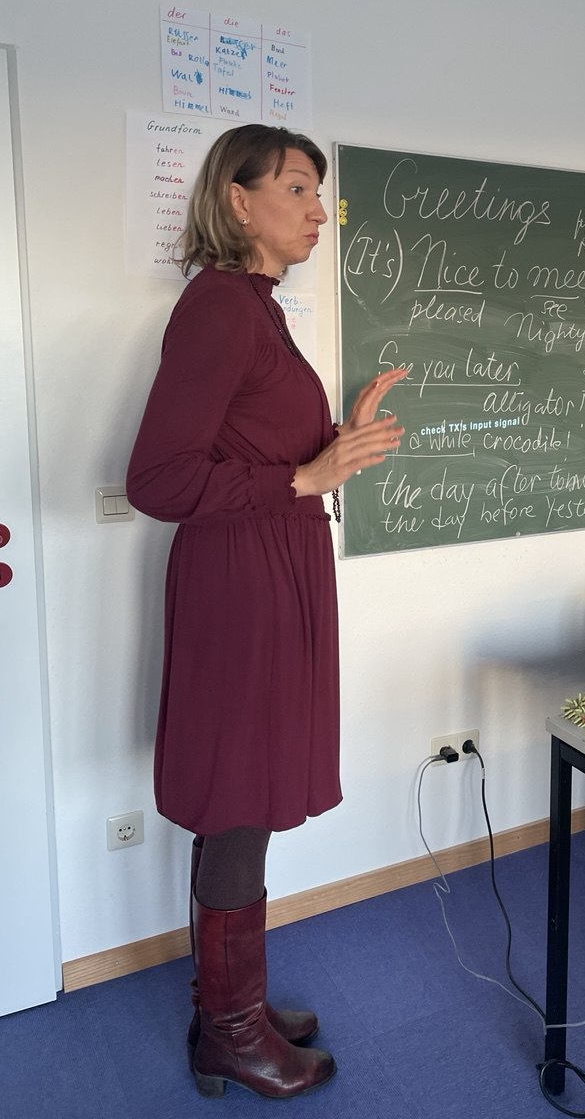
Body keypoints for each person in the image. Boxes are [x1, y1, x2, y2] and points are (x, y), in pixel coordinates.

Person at [126, 124, 406, 1100]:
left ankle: (226, 1007)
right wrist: (304, 475)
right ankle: (233, 1032)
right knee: (239, 797)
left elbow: (255, 444)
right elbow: (159, 478)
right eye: (296, 187)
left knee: (242, 793)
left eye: (318, 192)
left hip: (270, 568)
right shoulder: (219, 307)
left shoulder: (256, 308)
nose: (318, 209)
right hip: (241, 584)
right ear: (237, 200)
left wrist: (335, 439)